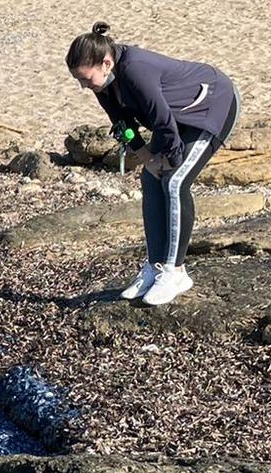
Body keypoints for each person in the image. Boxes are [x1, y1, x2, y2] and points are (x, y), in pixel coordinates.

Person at [65, 22, 239, 307]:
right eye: (79, 80)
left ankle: (176, 272)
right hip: (174, 119)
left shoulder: (136, 70)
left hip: (212, 106)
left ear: (106, 63)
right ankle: (156, 265)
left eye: (86, 79)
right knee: (149, 178)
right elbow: (121, 123)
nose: (84, 86)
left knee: (175, 181)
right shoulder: (104, 81)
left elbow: (162, 122)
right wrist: (145, 157)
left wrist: (169, 160)